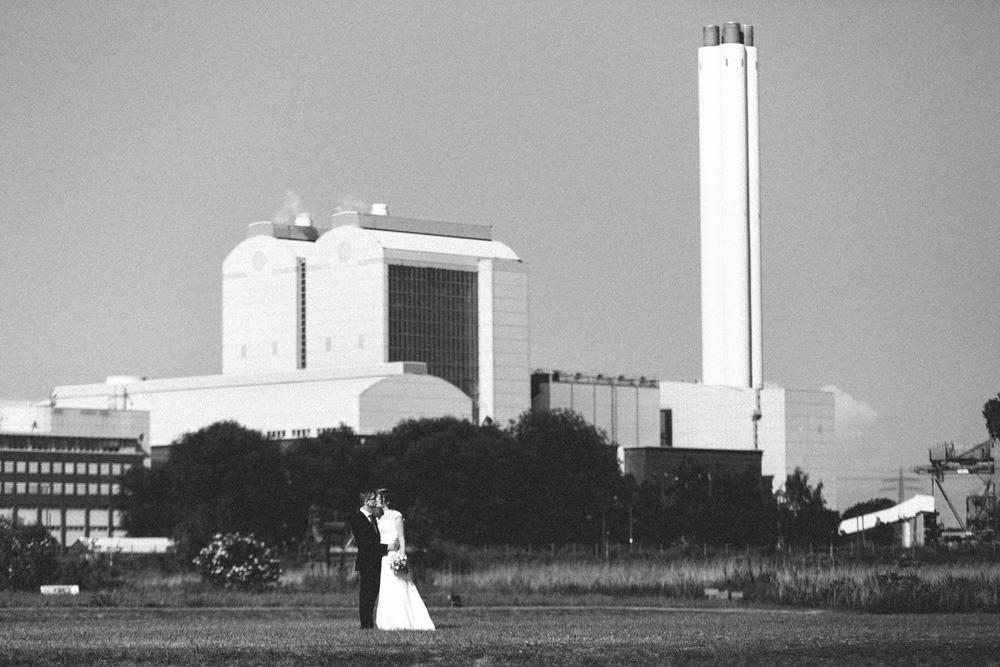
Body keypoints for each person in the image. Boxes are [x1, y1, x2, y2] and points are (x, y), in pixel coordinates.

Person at [373, 488, 435, 631]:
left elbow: (401, 537)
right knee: (387, 588)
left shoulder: (397, 516)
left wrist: (402, 556)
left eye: (378, 498)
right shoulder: (378, 517)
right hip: (384, 556)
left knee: (400, 586)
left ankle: (404, 620)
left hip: (394, 555)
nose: (376, 501)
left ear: (386, 500)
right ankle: (387, 621)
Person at [348, 489, 399, 629]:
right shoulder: (358, 519)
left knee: (373, 593)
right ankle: (365, 624)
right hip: (367, 562)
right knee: (366, 594)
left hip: (375, 562)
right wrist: (388, 547)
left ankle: (369, 622)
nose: (375, 501)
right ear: (366, 502)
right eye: (372, 499)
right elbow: (366, 544)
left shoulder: (373, 518)